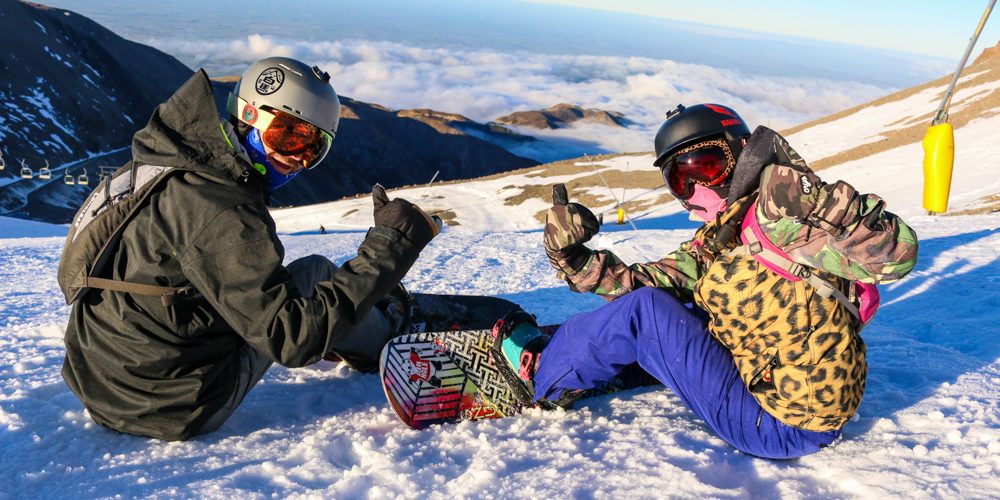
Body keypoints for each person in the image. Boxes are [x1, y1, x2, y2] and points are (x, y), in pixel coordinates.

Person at [497, 103, 919, 459]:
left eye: (708, 166)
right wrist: (572, 258)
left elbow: (898, 254)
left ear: (740, 155)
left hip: (780, 424)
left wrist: (825, 203)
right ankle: (613, 354)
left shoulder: (788, 218)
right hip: (786, 398)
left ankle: (541, 377)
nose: (695, 186)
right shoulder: (726, 235)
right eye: (679, 177)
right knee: (667, 301)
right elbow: (643, 284)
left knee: (647, 315)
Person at [61, 57, 441, 441]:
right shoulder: (221, 206)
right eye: (288, 135)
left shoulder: (171, 159)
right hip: (170, 407)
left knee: (288, 289)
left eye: (315, 147)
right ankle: (388, 337)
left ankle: (352, 324)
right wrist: (390, 248)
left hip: (99, 381)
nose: (297, 156)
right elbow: (291, 340)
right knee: (314, 275)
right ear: (248, 114)